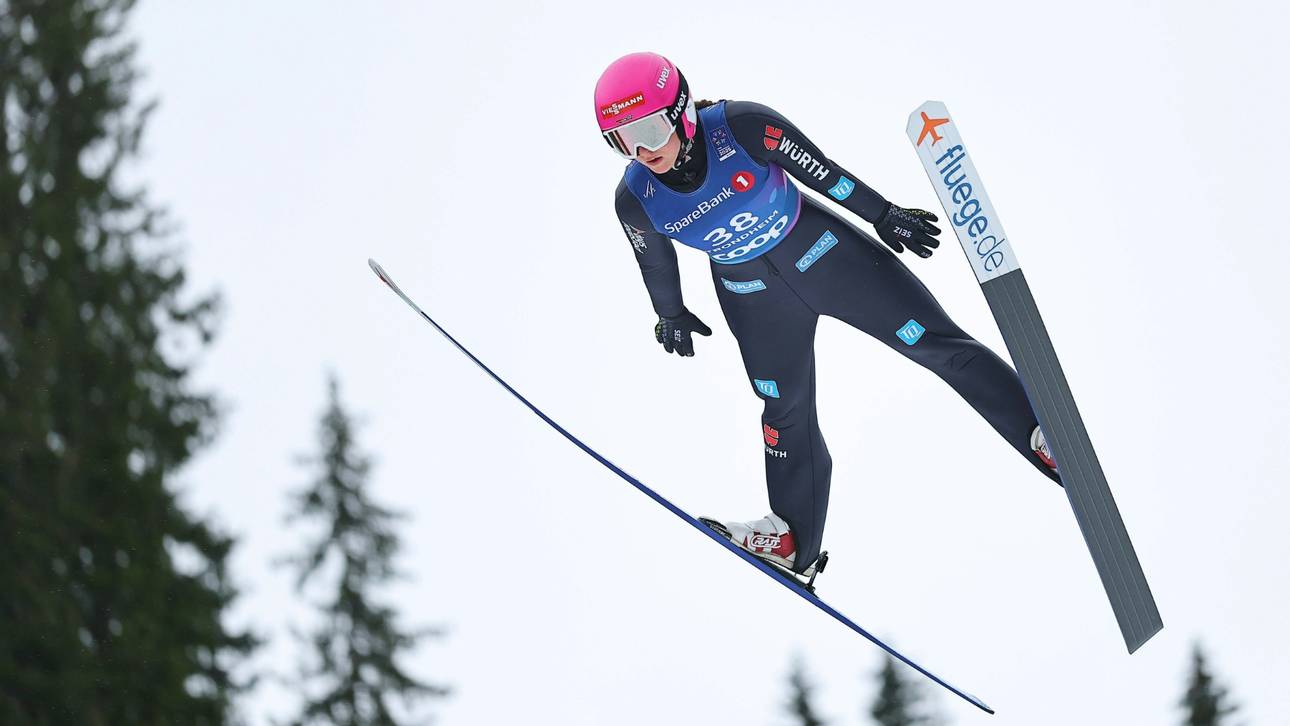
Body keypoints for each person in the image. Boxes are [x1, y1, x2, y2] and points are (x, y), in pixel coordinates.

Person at [596, 52, 1060, 579]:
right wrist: (670, 313)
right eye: (622, 140)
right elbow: (653, 260)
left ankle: (1041, 433)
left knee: (933, 344)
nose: (642, 150)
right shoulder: (636, 198)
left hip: (825, 255)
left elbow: (821, 172)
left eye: (650, 129)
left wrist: (884, 215)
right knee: (782, 411)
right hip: (752, 297)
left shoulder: (742, 127)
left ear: (680, 110)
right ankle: (794, 538)